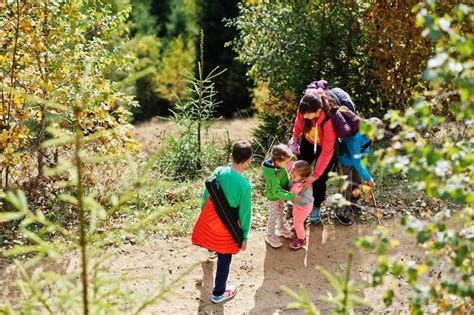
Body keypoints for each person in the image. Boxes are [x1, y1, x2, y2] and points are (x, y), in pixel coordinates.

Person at [191, 140, 253, 304]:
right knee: (225, 259)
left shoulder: (218, 171)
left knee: (212, 237)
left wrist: (204, 211)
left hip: (211, 218)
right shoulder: (244, 186)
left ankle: (212, 251)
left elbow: (207, 194)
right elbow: (245, 214)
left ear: (231, 156)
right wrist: (243, 237)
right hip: (228, 226)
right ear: (249, 161)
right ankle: (218, 293)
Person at [288, 92, 337, 224]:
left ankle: (315, 206)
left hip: (326, 148)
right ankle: (295, 198)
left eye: (308, 114)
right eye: (303, 113)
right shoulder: (303, 111)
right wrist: (294, 139)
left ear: (319, 111)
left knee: (320, 178)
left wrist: (315, 176)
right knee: (299, 170)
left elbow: (326, 153)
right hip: (308, 142)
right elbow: (298, 125)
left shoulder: (328, 121)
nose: (305, 116)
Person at [336, 117, 385, 225]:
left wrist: (363, 167)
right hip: (344, 161)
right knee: (346, 187)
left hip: (356, 161)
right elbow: (356, 160)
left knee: (357, 183)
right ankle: (341, 211)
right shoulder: (356, 138)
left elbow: (364, 151)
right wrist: (368, 178)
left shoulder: (369, 136)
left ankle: (353, 204)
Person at [262, 144, 301, 248]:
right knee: (273, 215)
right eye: (287, 162)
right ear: (278, 162)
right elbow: (277, 192)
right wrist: (291, 197)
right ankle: (270, 235)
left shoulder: (280, 167)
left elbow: (285, 179)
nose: (289, 164)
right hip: (274, 197)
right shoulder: (273, 176)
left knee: (280, 211)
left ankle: (281, 228)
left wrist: (291, 186)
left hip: (281, 195)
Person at [288, 160, 314, 249]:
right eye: (291, 172)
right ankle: (296, 228)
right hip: (300, 205)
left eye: (294, 176)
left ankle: (301, 239)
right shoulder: (302, 180)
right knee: (295, 216)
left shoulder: (298, 185)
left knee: (298, 221)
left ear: (303, 178)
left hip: (304, 207)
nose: (291, 176)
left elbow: (291, 194)